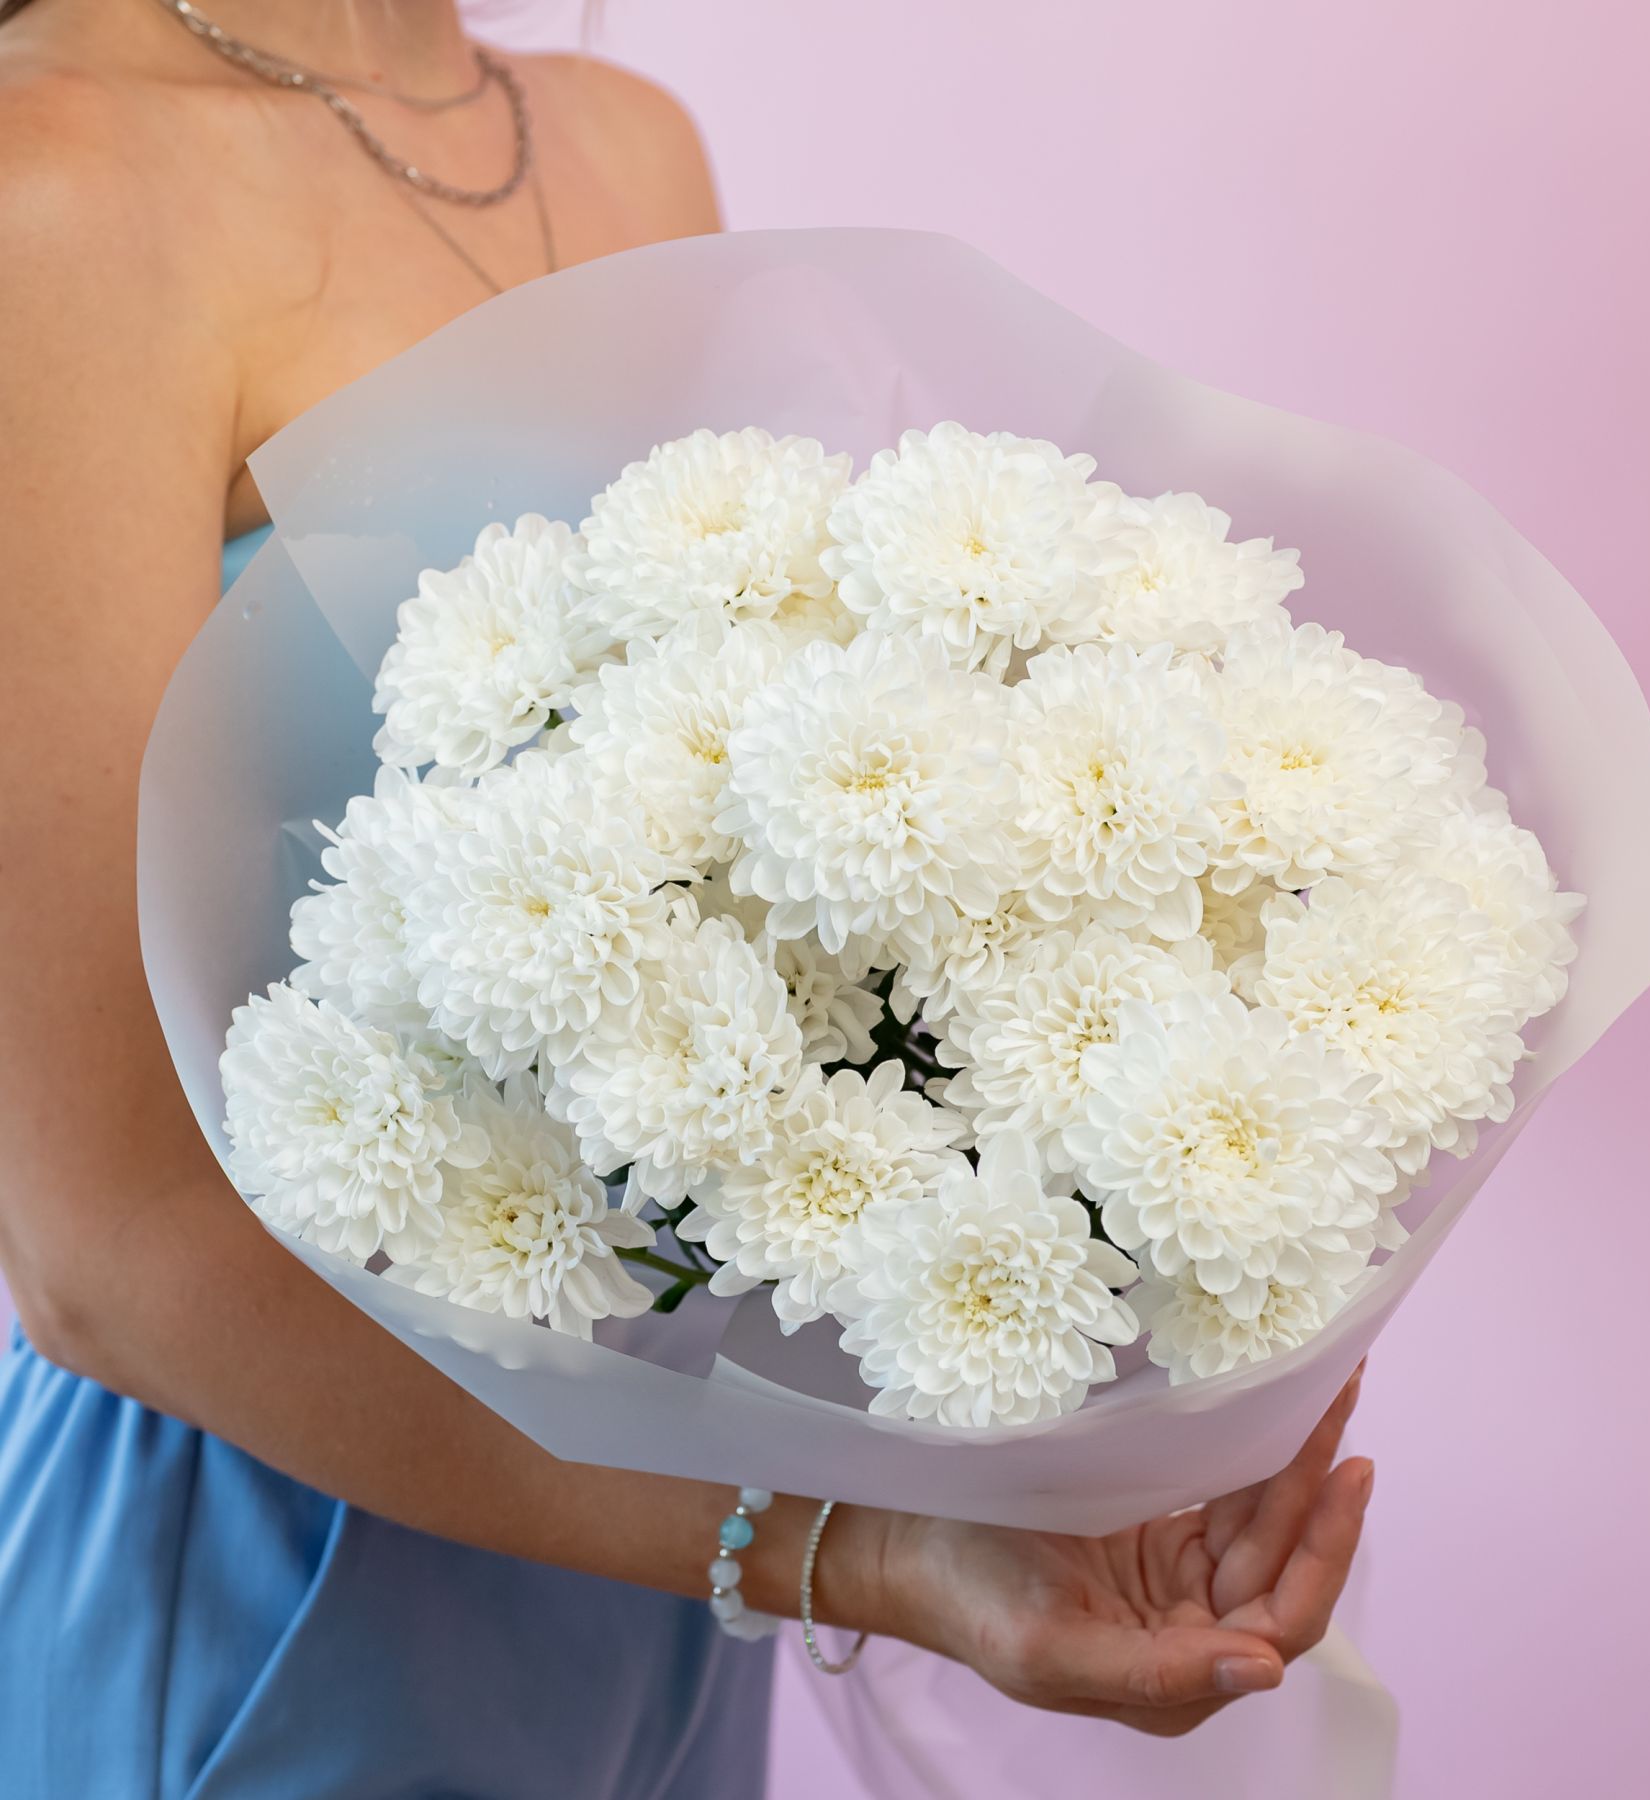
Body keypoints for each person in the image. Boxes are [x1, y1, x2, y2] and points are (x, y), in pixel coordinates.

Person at [0, 1, 1377, 1793]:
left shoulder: (620, 139)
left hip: (659, 1545)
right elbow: (107, 1251)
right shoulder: (57, 193)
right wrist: (849, 1548)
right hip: (271, 1570)